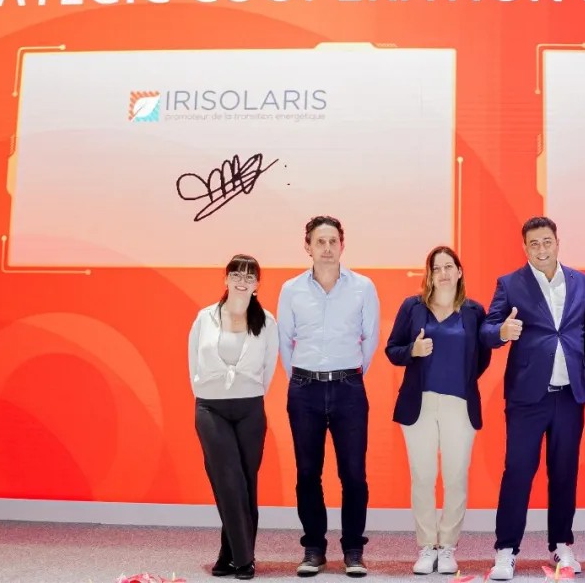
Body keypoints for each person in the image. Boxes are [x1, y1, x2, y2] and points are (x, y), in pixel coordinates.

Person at [480, 216, 585, 581]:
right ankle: (506, 550)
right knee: (518, 472)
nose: (541, 249)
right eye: (533, 244)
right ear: (525, 248)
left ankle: (562, 544)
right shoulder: (510, 283)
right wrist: (502, 331)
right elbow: (487, 330)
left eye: (546, 241)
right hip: (527, 398)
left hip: (569, 396)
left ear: (557, 242)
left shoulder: (580, 282)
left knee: (564, 472)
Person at [277, 215, 380, 578]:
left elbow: (370, 339)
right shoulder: (291, 289)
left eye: (333, 241)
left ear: (342, 245)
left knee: (353, 474)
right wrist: (303, 378)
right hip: (304, 389)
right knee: (307, 473)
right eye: (319, 242)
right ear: (307, 246)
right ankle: (314, 549)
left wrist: (347, 375)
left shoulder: (362, 287)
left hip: (348, 388)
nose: (327, 248)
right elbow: (284, 341)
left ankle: (353, 549)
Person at [385, 246, 493, 575]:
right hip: (419, 404)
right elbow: (392, 349)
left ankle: (447, 547)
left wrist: (460, 379)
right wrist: (413, 350)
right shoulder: (413, 307)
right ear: (429, 274)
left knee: (456, 477)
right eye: (437, 268)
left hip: (459, 405)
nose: (443, 273)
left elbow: (482, 358)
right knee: (422, 477)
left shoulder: (474, 311)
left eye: (449, 266)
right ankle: (426, 546)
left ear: (459, 272)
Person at [188, 254, 278, 581]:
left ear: (257, 284)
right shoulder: (205, 318)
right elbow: (193, 364)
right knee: (227, 479)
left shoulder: (266, 321)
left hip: (250, 408)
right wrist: (210, 391)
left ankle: (229, 555)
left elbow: (268, 368)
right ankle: (244, 559)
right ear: (225, 279)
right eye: (236, 274)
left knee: (245, 483)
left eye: (249, 276)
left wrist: (247, 390)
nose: (242, 280)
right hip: (211, 408)